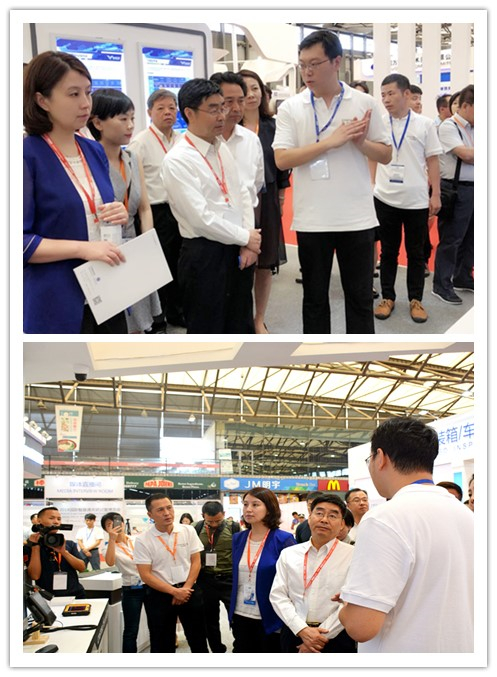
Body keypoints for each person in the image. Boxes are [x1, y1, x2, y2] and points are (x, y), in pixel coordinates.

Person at [273, 29, 391, 334]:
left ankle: (361, 356)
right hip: (312, 220)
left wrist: (360, 143)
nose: (307, 72)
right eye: (302, 65)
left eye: (314, 64)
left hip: (357, 218)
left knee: (360, 299)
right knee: (314, 299)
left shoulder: (364, 103)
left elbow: (386, 154)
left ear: (337, 62)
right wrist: (330, 142)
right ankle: (316, 356)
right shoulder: (291, 107)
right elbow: (282, 159)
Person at [338, 417, 474, 652]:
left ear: (381, 458)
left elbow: (361, 626)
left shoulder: (384, 518)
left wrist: (347, 607)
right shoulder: (468, 517)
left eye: (370, 459)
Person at [23, 50, 129, 334]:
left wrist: (117, 212)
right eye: (73, 94)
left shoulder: (93, 149)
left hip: (106, 288)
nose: (85, 103)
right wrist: (83, 248)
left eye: (88, 92)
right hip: (56, 296)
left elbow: (93, 208)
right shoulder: (26, 155)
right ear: (42, 100)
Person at [160, 78, 261, 333]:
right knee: (209, 328)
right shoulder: (178, 160)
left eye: (222, 107)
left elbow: (242, 192)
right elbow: (200, 219)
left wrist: (248, 241)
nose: (221, 116)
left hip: (237, 246)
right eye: (213, 109)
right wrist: (245, 237)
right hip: (204, 253)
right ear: (189, 113)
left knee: (241, 324)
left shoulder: (221, 147)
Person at [87, 88, 162, 333]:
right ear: (98, 122)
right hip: (104, 250)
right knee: (114, 323)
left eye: (132, 118)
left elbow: (144, 207)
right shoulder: (88, 161)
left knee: (139, 322)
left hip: (134, 246)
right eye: (122, 119)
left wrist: (147, 242)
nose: (130, 125)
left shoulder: (131, 158)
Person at [373, 74, 442, 324]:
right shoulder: (379, 124)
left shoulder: (425, 124)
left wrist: (436, 194)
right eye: (383, 95)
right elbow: (372, 156)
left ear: (406, 94)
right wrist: (371, 187)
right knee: (388, 252)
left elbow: (433, 160)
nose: (386, 99)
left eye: (391, 93)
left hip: (416, 200)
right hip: (385, 198)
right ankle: (387, 297)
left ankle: (416, 300)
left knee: (416, 253)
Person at [209, 71, 265, 333]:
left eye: (240, 100)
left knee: (241, 306)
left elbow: (254, 187)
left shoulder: (251, 140)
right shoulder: (200, 144)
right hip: (210, 235)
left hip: (244, 231)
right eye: (227, 101)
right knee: (211, 309)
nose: (235, 108)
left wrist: (249, 240)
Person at [239, 68, 292, 334]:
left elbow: (281, 166)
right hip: (238, 201)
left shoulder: (273, 125)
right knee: (241, 262)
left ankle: (259, 318)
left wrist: (281, 197)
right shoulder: (229, 128)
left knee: (264, 263)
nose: (251, 94)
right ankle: (241, 318)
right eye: (244, 89)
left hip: (268, 197)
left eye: (255, 88)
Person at [128, 89, 185, 331]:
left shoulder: (182, 140)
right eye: (161, 108)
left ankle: (177, 311)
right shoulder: (140, 143)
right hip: (155, 212)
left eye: (172, 107)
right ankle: (159, 315)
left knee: (179, 263)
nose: (167, 112)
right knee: (159, 265)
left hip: (180, 210)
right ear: (150, 112)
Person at [270, 494, 356, 653]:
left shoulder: (354, 555)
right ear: (309, 518)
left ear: (342, 524)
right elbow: (278, 595)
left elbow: (351, 601)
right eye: (319, 513)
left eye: (332, 516)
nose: (324, 519)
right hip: (294, 632)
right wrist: (302, 629)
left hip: (337, 636)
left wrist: (320, 637)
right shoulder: (289, 554)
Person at [133, 493, 209, 653]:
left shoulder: (188, 530)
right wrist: (174, 592)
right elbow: (145, 575)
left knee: (199, 639)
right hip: (160, 594)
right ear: (150, 514)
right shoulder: (143, 540)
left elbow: (196, 561)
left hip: (189, 590)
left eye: (169, 508)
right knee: (162, 643)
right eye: (160, 510)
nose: (167, 513)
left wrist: (185, 589)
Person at [229, 487, 296, 652]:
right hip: (240, 613)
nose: (248, 509)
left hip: (270, 617)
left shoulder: (283, 540)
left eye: (255, 504)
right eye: (245, 504)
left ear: (269, 509)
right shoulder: (238, 538)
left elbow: (293, 582)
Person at [432, 84, 474, 304]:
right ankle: (441, 284)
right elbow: (465, 155)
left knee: (472, 238)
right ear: (466, 106)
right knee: (451, 239)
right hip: (455, 190)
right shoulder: (449, 126)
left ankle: (462, 277)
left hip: (475, 189)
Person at [194, 500, 241, 652]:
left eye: (218, 521)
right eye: (210, 521)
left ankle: (239, 647)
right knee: (210, 619)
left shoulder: (234, 527)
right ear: (203, 516)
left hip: (229, 578)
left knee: (236, 617)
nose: (214, 524)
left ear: (224, 515)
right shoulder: (196, 528)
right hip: (206, 579)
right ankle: (217, 649)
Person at [101, 511, 147, 653]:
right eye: (109, 524)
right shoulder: (108, 546)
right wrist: (112, 539)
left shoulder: (136, 539)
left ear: (122, 523)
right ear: (105, 529)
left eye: (117, 522)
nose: (115, 526)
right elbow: (110, 562)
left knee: (156, 625)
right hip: (131, 589)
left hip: (150, 585)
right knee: (130, 630)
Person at [23, 506, 86, 598]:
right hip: (47, 598)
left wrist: (64, 552)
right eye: (51, 518)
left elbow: (82, 568)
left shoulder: (68, 544)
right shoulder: (31, 547)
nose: (56, 522)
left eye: (59, 519)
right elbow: (34, 576)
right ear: (39, 521)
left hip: (75, 595)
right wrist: (35, 547)